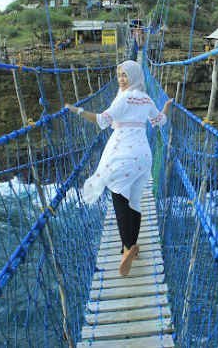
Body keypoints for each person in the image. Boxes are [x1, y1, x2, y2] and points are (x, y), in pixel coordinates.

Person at [65, 61, 173, 276]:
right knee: (134, 200)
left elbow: (100, 120)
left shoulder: (124, 98)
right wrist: (167, 106)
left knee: (119, 199)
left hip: (123, 154)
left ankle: (126, 248)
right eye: (119, 75)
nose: (122, 79)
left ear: (133, 76)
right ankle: (132, 246)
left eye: (125, 75)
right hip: (143, 156)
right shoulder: (146, 98)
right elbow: (160, 120)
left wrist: (77, 110)